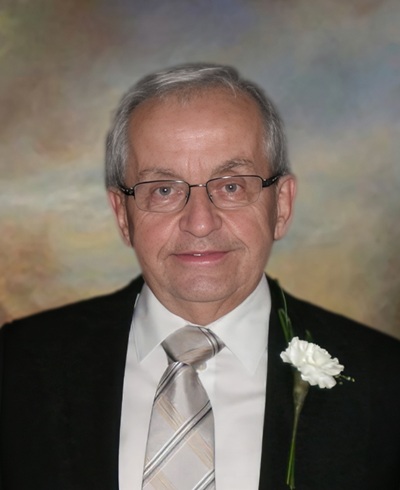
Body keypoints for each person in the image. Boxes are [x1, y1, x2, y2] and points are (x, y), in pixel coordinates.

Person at [1, 63, 399, 490]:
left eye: (231, 186)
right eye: (164, 189)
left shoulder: (386, 384)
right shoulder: (17, 367)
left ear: (281, 205)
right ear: (122, 215)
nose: (200, 222)